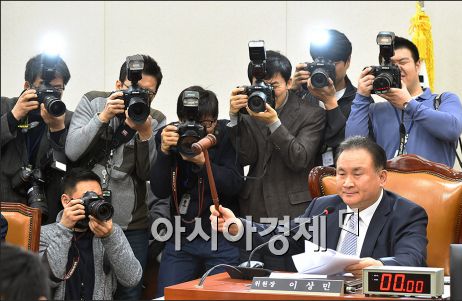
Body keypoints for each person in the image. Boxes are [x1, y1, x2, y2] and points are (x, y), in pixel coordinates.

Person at [210, 136, 428, 278]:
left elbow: (412, 259)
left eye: (357, 174)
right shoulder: (324, 208)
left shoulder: (407, 214)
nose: (347, 182)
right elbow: (281, 237)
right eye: (341, 173)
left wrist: (379, 267)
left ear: (381, 177)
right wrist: (237, 226)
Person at [65, 54, 166, 300]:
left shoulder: (156, 119)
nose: (141, 97)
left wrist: (145, 135)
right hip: (85, 218)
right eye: (135, 89)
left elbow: (148, 174)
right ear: (119, 85)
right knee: (86, 287)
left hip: (131, 225)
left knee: (130, 291)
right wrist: (103, 117)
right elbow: (72, 151)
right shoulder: (93, 101)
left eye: (148, 93)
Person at [228, 50, 325, 270]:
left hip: (293, 212)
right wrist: (234, 119)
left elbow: (299, 158)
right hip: (255, 208)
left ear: (289, 82)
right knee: (253, 278)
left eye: (273, 86)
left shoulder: (311, 114)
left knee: (292, 278)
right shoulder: (248, 111)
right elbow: (244, 157)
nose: (266, 92)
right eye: (259, 85)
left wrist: (274, 124)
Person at [150, 86, 243, 296]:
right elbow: (159, 189)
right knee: (169, 296)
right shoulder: (172, 138)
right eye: (189, 122)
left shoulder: (225, 135)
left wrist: (204, 164)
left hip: (221, 238)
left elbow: (235, 184)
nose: (197, 130)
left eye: (205, 124)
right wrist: (164, 152)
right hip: (181, 237)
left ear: (215, 121)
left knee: (224, 297)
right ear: (179, 119)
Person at [345, 36, 462, 167]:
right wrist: (361, 97)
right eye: (390, 65)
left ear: (417, 65)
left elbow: (452, 129)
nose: (397, 68)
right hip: (388, 186)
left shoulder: (444, 100)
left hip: (435, 186)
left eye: (403, 62)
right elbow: (353, 147)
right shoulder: (375, 110)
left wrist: (408, 104)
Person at [38, 168, 142, 300]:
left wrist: (110, 237)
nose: (94, 203)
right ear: (66, 201)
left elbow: (132, 279)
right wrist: (64, 229)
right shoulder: (44, 234)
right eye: (87, 198)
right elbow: (46, 281)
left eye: (98, 198)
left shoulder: (111, 233)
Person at [1, 53, 72, 224]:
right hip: (5, 206)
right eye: (44, 86)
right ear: (27, 85)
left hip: (47, 207)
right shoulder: (4, 107)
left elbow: (66, 167)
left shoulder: (68, 119)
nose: (50, 93)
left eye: (57, 88)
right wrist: (13, 117)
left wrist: (57, 130)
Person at [290, 29, 358, 166]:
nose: (326, 69)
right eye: (319, 62)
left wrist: (330, 103)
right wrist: (291, 92)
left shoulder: (359, 101)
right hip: (302, 179)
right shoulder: (302, 94)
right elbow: (285, 134)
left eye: (333, 63)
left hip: (340, 178)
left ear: (348, 61)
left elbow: (351, 148)